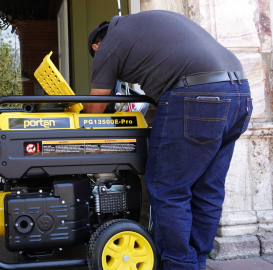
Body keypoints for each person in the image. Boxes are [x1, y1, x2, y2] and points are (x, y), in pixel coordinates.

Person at [85, 10, 252, 270]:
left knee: (168, 188)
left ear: (97, 45)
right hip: (240, 94)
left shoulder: (108, 46)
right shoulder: (142, 25)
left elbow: (95, 109)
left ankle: (179, 265)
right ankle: (195, 261)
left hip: (195, 96)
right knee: (208, 189)